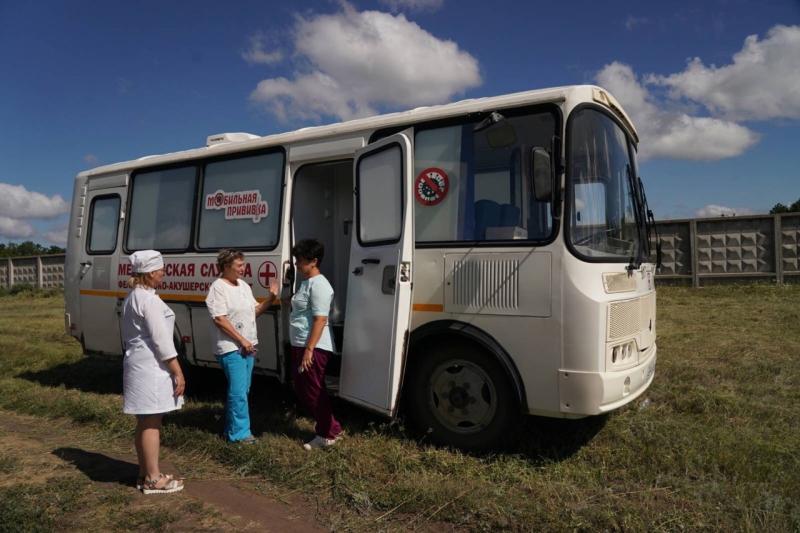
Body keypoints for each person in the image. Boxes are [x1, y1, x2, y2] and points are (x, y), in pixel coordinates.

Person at [121, 250, 185, 494]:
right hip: (150, 367)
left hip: (139, 364)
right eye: (160, 270)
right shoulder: (148, 300)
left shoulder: (134, 297)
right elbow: (162, 341)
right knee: (151, 422)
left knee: (144, 421)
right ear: (148, 273)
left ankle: (144, 473)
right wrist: (177, 370)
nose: (163, 273)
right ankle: (153, 478)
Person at [206, 249, 277, 443]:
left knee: (242, 390)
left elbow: (254, 311)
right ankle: (240, 435)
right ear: (226, 266)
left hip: (248, 346)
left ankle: (231, 430)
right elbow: (220, 319)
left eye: (243, 264)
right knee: (238, 392)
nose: (243, 268)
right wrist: (241, 340)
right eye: (239, 265)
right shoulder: (218, 288)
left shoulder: (244, 286)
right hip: (231, 347)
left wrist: (270, 298)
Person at [289, 239, 342, 450]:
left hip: (312, 346)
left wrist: (309, 349)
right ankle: (333, 428)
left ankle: (327, 435)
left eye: (300, 261)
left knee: (312, 390)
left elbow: (320, 319)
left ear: (313, 261)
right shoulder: (306, 283)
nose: (296, 264)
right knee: (305, 388)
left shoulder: (320, 285)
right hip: (300, 343)